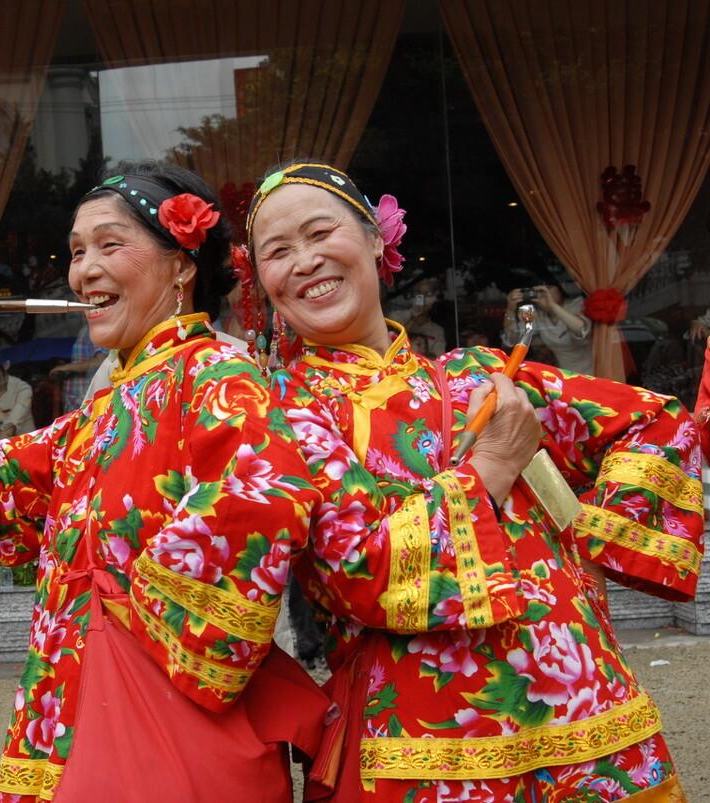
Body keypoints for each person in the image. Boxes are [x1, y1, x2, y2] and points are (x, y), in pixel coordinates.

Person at [0, 163, 334, 802]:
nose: (84, 270)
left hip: (166, 716)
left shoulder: (220, 375)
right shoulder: (102, 413)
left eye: (110, 244)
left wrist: (124, 600)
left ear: (182, 265)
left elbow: (263, 499)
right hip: (80, 703)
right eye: (78, 252)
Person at [245, 160, 704, 800]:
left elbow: (654, 420)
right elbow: (360, 572)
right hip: (420, 748)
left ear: (377, 240)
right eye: (278, 251)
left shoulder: (481, 373)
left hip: (586, 713)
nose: (305, 261)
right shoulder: (275, 416)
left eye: (321, 233)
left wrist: (592, 545)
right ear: (261, 280)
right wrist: (489, 468)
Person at [503, 283, 594, 374]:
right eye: (538, 291)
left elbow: (582, 330)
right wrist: (511, 309)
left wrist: (552, 306)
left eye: (548, 288)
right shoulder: (537, 313)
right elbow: (513, 339)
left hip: (591, 371)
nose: (544, 293)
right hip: (565, 373)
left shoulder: (576, 304)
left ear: (560, 288)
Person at [49, 323, 107, 412]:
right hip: (78, 401)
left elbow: (100, 361)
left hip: (86, 399)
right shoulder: (87, 329)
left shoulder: (96, 329)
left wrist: (66, 367)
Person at [387, 275, 446, 358]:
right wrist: (414, 318)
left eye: (428, 294)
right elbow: (391, 345)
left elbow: (438, 358)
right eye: (418, 293)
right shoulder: (396, 317)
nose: (423, 298)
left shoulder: (437, 331)